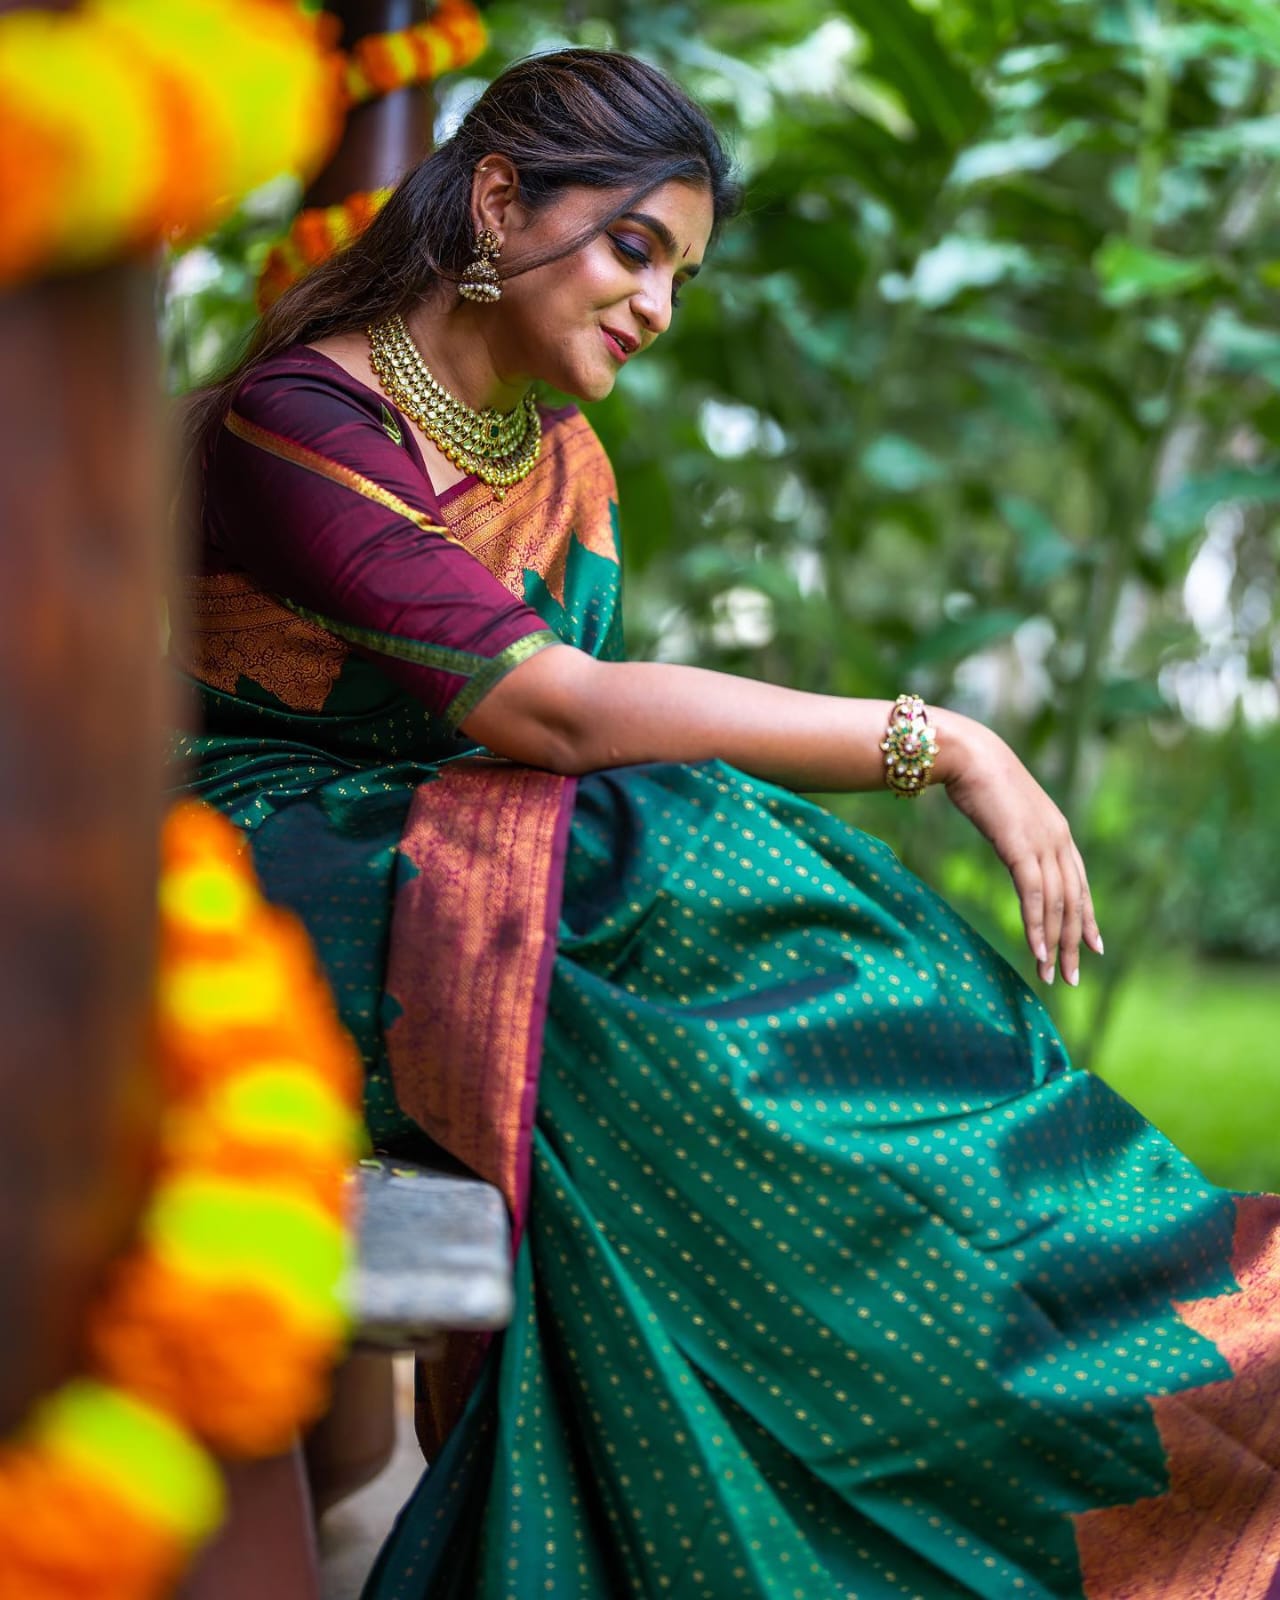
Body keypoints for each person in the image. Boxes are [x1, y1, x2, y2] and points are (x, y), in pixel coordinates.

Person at [174, 47, 1280, 1600]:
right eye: (635, 247)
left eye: (679, 273)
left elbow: (568, 741)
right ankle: (1100, 1336)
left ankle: (1128, 1311)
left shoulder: (563, 459)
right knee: (675, 848)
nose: (659, 309)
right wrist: (936, 738)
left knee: (763, 920)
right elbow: (547, 715)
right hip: (247, 898)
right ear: (499, 201)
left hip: (485, 883)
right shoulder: (297, 422)